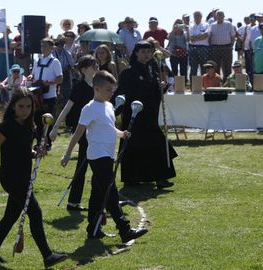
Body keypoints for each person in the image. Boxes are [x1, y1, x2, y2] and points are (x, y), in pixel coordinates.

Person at [0, 89, 68, 268]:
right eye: (20, 106)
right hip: (11, 178)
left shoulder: (30, 126)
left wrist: (36, 152)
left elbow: (24, 150)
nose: (24, 110)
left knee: (10, 216)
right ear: (13, 107)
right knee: (36, 212)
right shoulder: (5, 127)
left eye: (28, 106)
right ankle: (48, 256)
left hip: (23, 177)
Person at [61, 70, 148, 242]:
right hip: (97, 156)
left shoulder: (108, 106)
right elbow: (78, 133)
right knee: (111, 192)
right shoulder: (89, 108)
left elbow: (108, 127)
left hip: (108, 154)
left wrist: (121, 134)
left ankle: (93, 229)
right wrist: (67, 154)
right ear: (97, 89)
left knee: (98, 194)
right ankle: (125, 230)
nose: (111, 93)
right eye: (108, 89)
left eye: (112, 90)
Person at [116, 41, 177, 188]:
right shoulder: (129, 72)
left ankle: (161, 177)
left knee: (156, 144)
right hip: (134, 116)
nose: (147, 55)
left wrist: (161, 87)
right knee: (133, 147)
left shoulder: (153, 70)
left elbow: (154, 92)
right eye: (143, 52)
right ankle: (132, 179)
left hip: (149, 117)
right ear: (136, 53)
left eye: (149, 52)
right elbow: (122, 93)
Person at [50, 55, 98, 212]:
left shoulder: (98, 85)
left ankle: (74, 202)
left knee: (90, 166)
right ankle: (76, 202)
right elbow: (67, 107)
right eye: (93, 65)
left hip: (96, 130)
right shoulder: (78, 87)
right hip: (82, 130)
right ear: (84, 69)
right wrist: (56, 127)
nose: (96, 66)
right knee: (87, 166)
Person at [29, 38, 63, 147]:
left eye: (45, 46)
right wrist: (30, 76)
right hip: (37, 94)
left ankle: (47, 143)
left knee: (47, 120)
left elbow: (60, 78)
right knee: (38, 120)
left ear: (51, 48)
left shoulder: (55, 62)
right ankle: (39, 142)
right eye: (42, 46)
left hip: (49, 95)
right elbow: (33, 74)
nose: (43, 49)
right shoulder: (37, 60)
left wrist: (49, 83)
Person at [209, 10, 236, 83]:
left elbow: (233, 36)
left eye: (221, 15)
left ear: (224, 16)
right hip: (215, 48)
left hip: (227, 48)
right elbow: (210, 36)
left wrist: (231, 46)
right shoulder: (212, 25)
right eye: (218, 15)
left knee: (227, 67)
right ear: (215, 16)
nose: (219, 17)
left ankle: (226, 83)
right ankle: (217, 83)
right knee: (216, 67)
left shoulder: (229, 24)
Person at [189, 11, 211, 79]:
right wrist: (199, 37)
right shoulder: (191, 26)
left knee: (204, 67)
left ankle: (204, 85)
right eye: (195, 15)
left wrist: (196, 38)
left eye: (198, 15)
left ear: (201, 16)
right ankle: (193, 86)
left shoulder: (206, 25)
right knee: (193, 67)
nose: (197, 17)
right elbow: (191, 38)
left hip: (203, 48)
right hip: (193, 48)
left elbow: (206, 35)